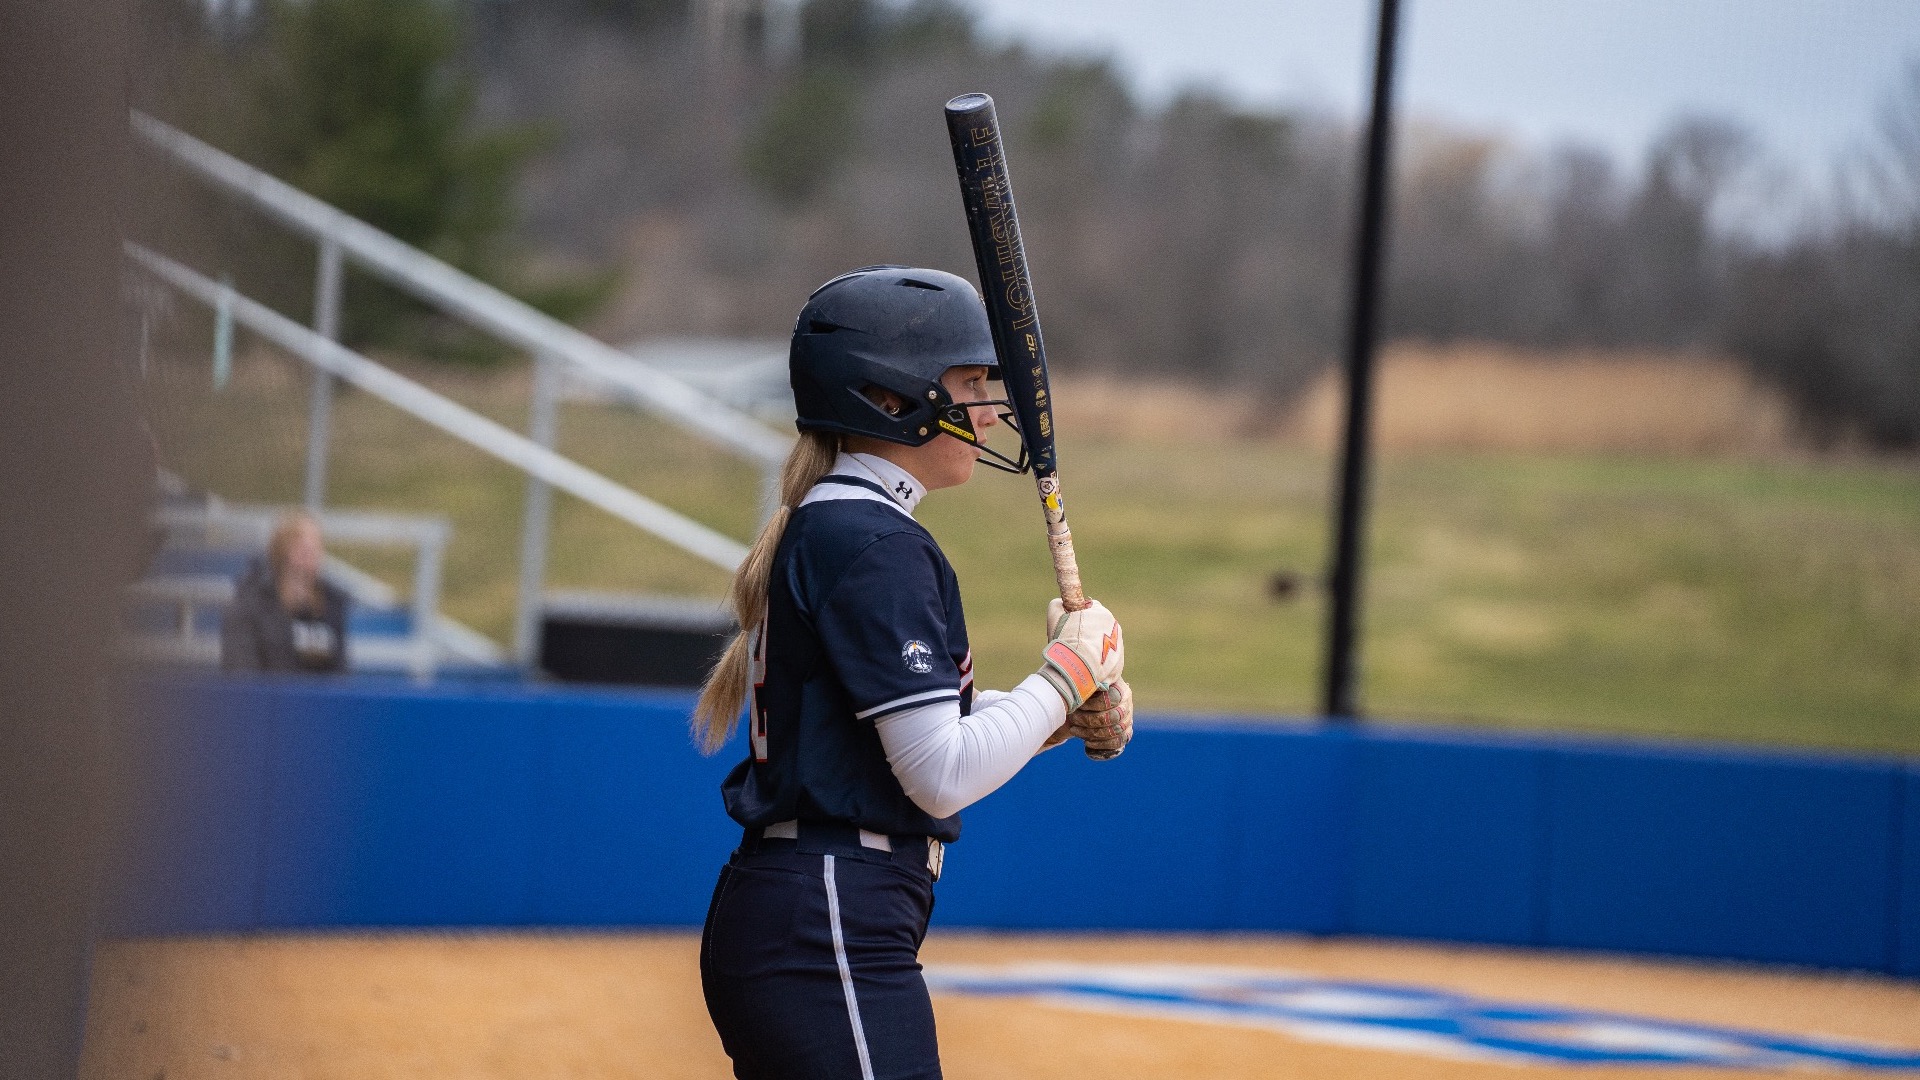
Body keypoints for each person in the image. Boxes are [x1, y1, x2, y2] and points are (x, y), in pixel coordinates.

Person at [693, 265, 1134, 1080]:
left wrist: (1057, 716)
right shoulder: (874, 543)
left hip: (818, 915)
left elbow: (902, 742)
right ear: (888, 398)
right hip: (828, 920)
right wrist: (1065, 673)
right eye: (969, 383)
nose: (993, 411)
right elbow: (938, 772)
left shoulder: (843, 526)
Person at [219, 510, 349, 673]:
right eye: (303, 549)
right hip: (263, 696)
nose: (311, 557)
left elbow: (339, 676)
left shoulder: (331, 605)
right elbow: (241, 673)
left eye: (316, 548)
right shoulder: (249, 605)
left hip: (316, 698)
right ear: (282, 552)